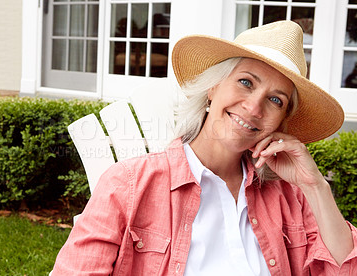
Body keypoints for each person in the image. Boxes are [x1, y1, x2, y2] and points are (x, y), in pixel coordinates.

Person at [51, 21, 357, 275]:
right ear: (213, 88)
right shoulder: (128, 186)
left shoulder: (290, 198)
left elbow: (344, 269)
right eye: (246, 82)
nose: (253, 107)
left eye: (276, 100)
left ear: (280, 121)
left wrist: (316, 186)